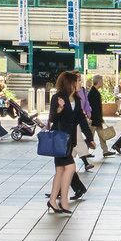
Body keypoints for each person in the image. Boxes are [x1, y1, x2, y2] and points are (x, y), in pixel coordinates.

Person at [43, 70, 87, 213]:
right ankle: (63, 201)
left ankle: (53, 201)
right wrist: (60, 109)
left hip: (70, 140)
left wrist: (90, 137)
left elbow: (80, 119)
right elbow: (53, 119)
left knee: (60, 170)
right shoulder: (58, 97)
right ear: (71, 83)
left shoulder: (77, 99)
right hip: (59, 140)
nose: (80, 83)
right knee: (70, 168)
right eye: (78, 81)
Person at [87, 74, 113, 160]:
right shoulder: (93, 93)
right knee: (90, 136)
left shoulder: (94, 91)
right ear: (98, 81)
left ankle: (105, 151)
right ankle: (85, 152)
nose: (102, 82)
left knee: (102, 135)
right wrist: (98, 118)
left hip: (96, 119)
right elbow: (94, 108)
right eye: (101, 81)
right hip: (94, 119)